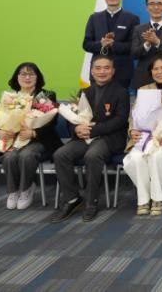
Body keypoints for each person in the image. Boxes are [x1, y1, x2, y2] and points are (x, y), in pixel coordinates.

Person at [51, 55, 130, 222]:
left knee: (92, 155)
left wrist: (92, 131)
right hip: (83, 138)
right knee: (60, 154)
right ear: (92, 71)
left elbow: (120, 120)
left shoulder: (121, 92)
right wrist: (76, 129)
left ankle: (91, 201)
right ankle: (72, 199)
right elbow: (74, 118)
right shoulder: (85, 92)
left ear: (113, 71)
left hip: (109, 138)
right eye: (98, 68)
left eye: (106, 68)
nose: (102, 71)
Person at [0, 62, 62, 210]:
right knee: (9, 157)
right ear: (17, 77)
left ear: (37, 77)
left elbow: (51, 122)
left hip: (39, 140)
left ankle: (26, 189)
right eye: (23, 74)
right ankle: (13, 192)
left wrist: (34, 133)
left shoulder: (46, 96)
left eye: (31, 74)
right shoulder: (10, 97)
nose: (27, 77)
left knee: (26, 155)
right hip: (14, 140)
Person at [123, 55, 162, 216]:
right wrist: (132, 131)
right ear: (151, 72)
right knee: (135, 159)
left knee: (157, 156)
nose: (159, 72)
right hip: (143, 138)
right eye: (155, 69)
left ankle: (157, 199)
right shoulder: (144, 90)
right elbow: (134, 116)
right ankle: (144, 199)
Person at [82, 0, 140, 88]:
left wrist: (114, 44)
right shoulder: (94, 18)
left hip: (122, 72)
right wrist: (101, 44)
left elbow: (134, 46)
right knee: (97, 99)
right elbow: (86, 44)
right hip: (99, 71)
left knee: (120, 99)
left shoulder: (132, 18)